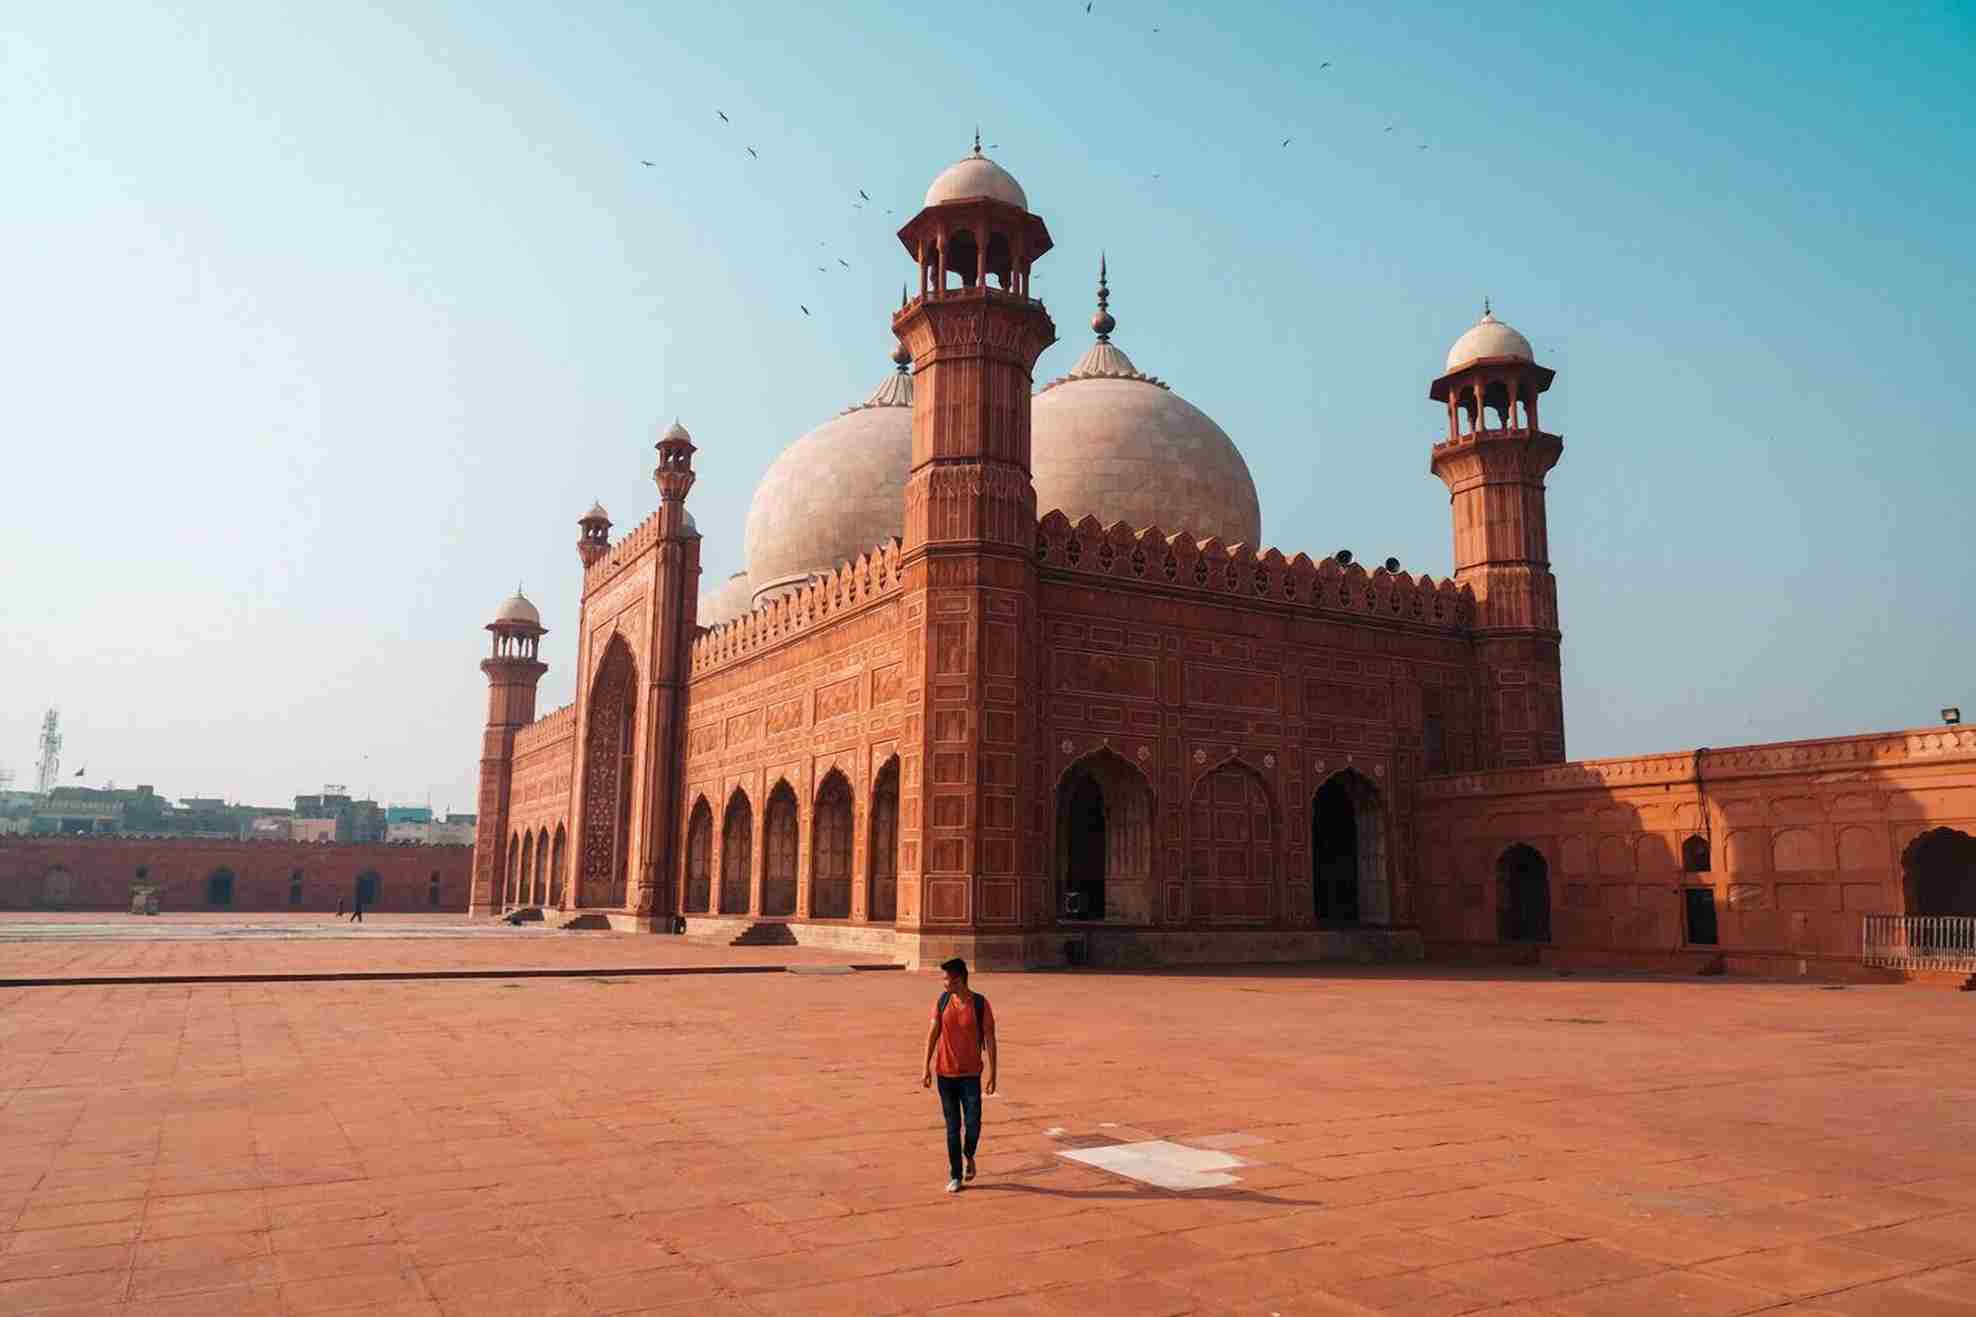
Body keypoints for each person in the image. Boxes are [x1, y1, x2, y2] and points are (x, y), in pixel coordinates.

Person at [921, 956, 996, 1193]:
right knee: (952, 1127)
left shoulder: (980, 1004)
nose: (943, 983)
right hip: (945, 1074)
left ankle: (969, 1154)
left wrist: (993, 1073)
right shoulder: (942, 1001)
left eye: (947, 979)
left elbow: (990, 1040)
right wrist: (925, 1067)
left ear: (959, 980)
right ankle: (955, 1175)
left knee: (973, 1123)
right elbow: (932, 1034)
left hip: (971, 1076)